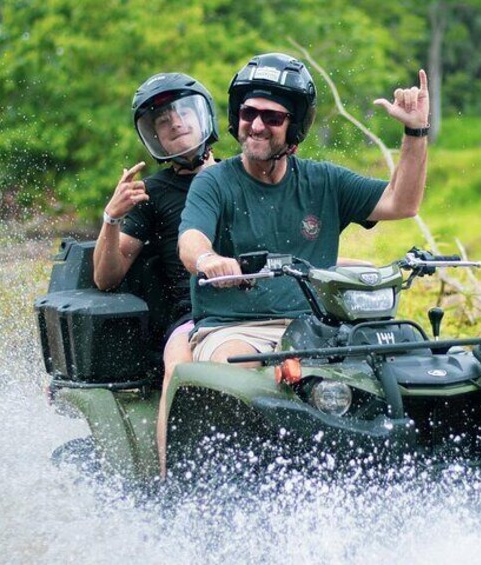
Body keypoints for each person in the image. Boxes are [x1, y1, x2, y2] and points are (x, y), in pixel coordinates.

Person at [178, 52, 429, 364]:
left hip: (317, 330)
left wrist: (415, 132)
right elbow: (190, 240)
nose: (256, 125)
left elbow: (401, 203)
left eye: (272, 118)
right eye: (248, 113)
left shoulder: (324, 180)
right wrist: (208, 259)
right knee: (236, 370)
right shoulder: (213, 182)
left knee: (399, 367)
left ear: (294, 128)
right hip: (235, 330)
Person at [92, 72, 218, 479]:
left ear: (204, 117)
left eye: (183, 112)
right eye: (163, 121)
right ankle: (173, 483)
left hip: (259, 306)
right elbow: (105, 278)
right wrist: (113, 217)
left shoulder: (241, 175)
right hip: (193, 317)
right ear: (154, 137)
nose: (176, 122)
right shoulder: (150, 195)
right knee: (178, 366)